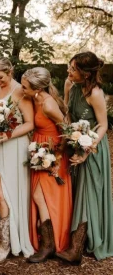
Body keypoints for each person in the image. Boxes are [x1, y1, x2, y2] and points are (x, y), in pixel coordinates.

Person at [56, 52, 113, 264]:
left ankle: (76, 249)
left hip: (93, 149)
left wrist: (86, 150)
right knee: (78, 192)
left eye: (73, 69)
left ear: (86, 73)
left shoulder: (96, 93)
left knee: (87, 195)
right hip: (76, 145)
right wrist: (68, 141)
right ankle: (81, 242)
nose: (68, 72)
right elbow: (68, 114)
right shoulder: (70, 86)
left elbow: (104, 126)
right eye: (69, 67)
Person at [21, 67, 72, 263]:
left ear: (37, 88)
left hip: (51, 152)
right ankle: (46, 242)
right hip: (39, 150)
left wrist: (57, 156)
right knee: (39, 196)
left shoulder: (49, 105)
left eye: (25, 87)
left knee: (40, 196)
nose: (22, 90)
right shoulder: (33, 98)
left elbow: (66, 127)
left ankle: (49, 245)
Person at [0, 56, 34, 263]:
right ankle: (3, 239)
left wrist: (8, 134)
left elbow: (30, 123)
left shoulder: (19, 91)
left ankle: (5, 244)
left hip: (15, 146)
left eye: (0, 77)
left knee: (1, 193)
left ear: (10, 72)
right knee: (1, 193)